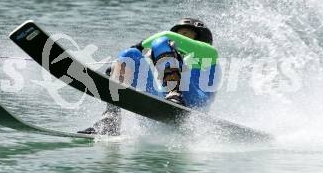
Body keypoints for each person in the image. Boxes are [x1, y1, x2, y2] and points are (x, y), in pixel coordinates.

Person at [78, 18, 219, 135]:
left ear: (201, 38)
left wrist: (141, 45)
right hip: (164, 98)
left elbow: (167, 37)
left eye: (186, 35)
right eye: (180, 34)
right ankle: (110, 122)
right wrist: (120, 67)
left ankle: (175, 94)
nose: (180, 39)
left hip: (195, 103)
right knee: (129, 55)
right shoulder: (171, 58)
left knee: (159, 42)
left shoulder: (209, 53)